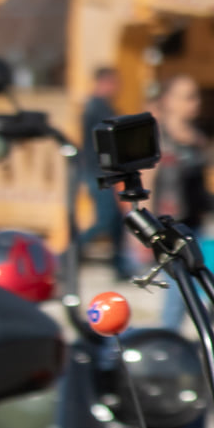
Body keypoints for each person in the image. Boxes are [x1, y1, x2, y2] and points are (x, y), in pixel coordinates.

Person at [77, 65, 131, 278]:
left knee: (117, 220)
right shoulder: (96, 107)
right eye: (114, 83)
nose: (117, 88)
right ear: (104, 82)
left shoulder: (102, 106)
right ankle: (69, 254)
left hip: (104, 172)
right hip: (97, 172)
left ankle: (119, 266)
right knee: (106, 219)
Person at [146, 74, 214, 231]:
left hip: (195, 223)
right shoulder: (158, 138)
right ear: (168, 100)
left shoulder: (198, 138)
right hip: (166, 224)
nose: (196, 103)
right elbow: (146, 184)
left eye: (197, 97)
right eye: (189, 98)